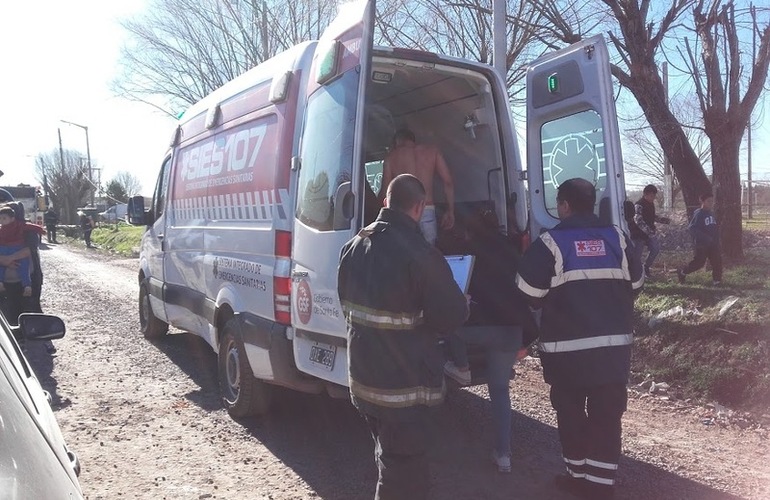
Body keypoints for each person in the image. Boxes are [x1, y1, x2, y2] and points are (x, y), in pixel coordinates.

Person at [338, 174, 469, 499]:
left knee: (388, 457)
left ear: (386, 201)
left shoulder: (353, 246)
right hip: (404, 390)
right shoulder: (422, 255)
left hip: (364, 382)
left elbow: (347, 307)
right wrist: (461, 303)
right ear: (420, 207)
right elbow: (451, 317)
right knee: (404, 477)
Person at [516, 178, 643, 500]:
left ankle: (578, 477)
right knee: (607, 415)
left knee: (570, 414)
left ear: (564, 206)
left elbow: (528, 292)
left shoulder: (551, 243)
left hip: (567, 353)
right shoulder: (618, 238)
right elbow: (637, 284)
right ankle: (600, 486)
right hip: (613, 351)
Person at [442, 206, 539, 473]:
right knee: (499, 392)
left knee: (445, 320)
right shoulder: (512, 252)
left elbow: (456, 298)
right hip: (512, 333)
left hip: (482, 330)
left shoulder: (471, 254)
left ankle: (461, 368)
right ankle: (503, 455)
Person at [380, 128, 455, 245]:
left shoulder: (391, 158)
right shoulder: (432, 151)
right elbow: (448, 182)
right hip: (427, 208)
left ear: (397, 141)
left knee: (406, 255)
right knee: (429, 254)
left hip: (403, 214)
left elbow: (385, 191)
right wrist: (450, 210)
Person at [677, 192, 722, 286]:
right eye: (708, 201)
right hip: (702, 244)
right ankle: (682, 272)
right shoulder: (699, 214)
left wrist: (716, 239)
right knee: (699, 263)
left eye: (712, 201)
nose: (711, 203)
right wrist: (705, 238)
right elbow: (692, 228)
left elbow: (714, 228)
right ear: (702, 201)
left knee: (717, 261)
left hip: (713, 243)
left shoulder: (711, 213)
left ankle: (717, 281)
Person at [631, 184, 670, 279]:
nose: (653, 198)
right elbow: (638, 221)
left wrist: (663, 220)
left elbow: (652, 217)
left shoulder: (651, 204)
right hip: (638, 235)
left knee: (655, 249)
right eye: (652, 196)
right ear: (645, 194)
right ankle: (635, 274)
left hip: (649, 234)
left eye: (654, 196)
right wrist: (649, 232)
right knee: (637, 257)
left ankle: (646, 267)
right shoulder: (639, 205)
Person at [0, 206, 33, 297]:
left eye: (4, 218)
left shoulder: (22, 228)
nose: (1, 221)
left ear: (12, 218)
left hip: (17, 261)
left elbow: (29, 251)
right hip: (7, 259)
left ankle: (27, 286)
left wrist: (8, 259)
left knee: (24, 265)